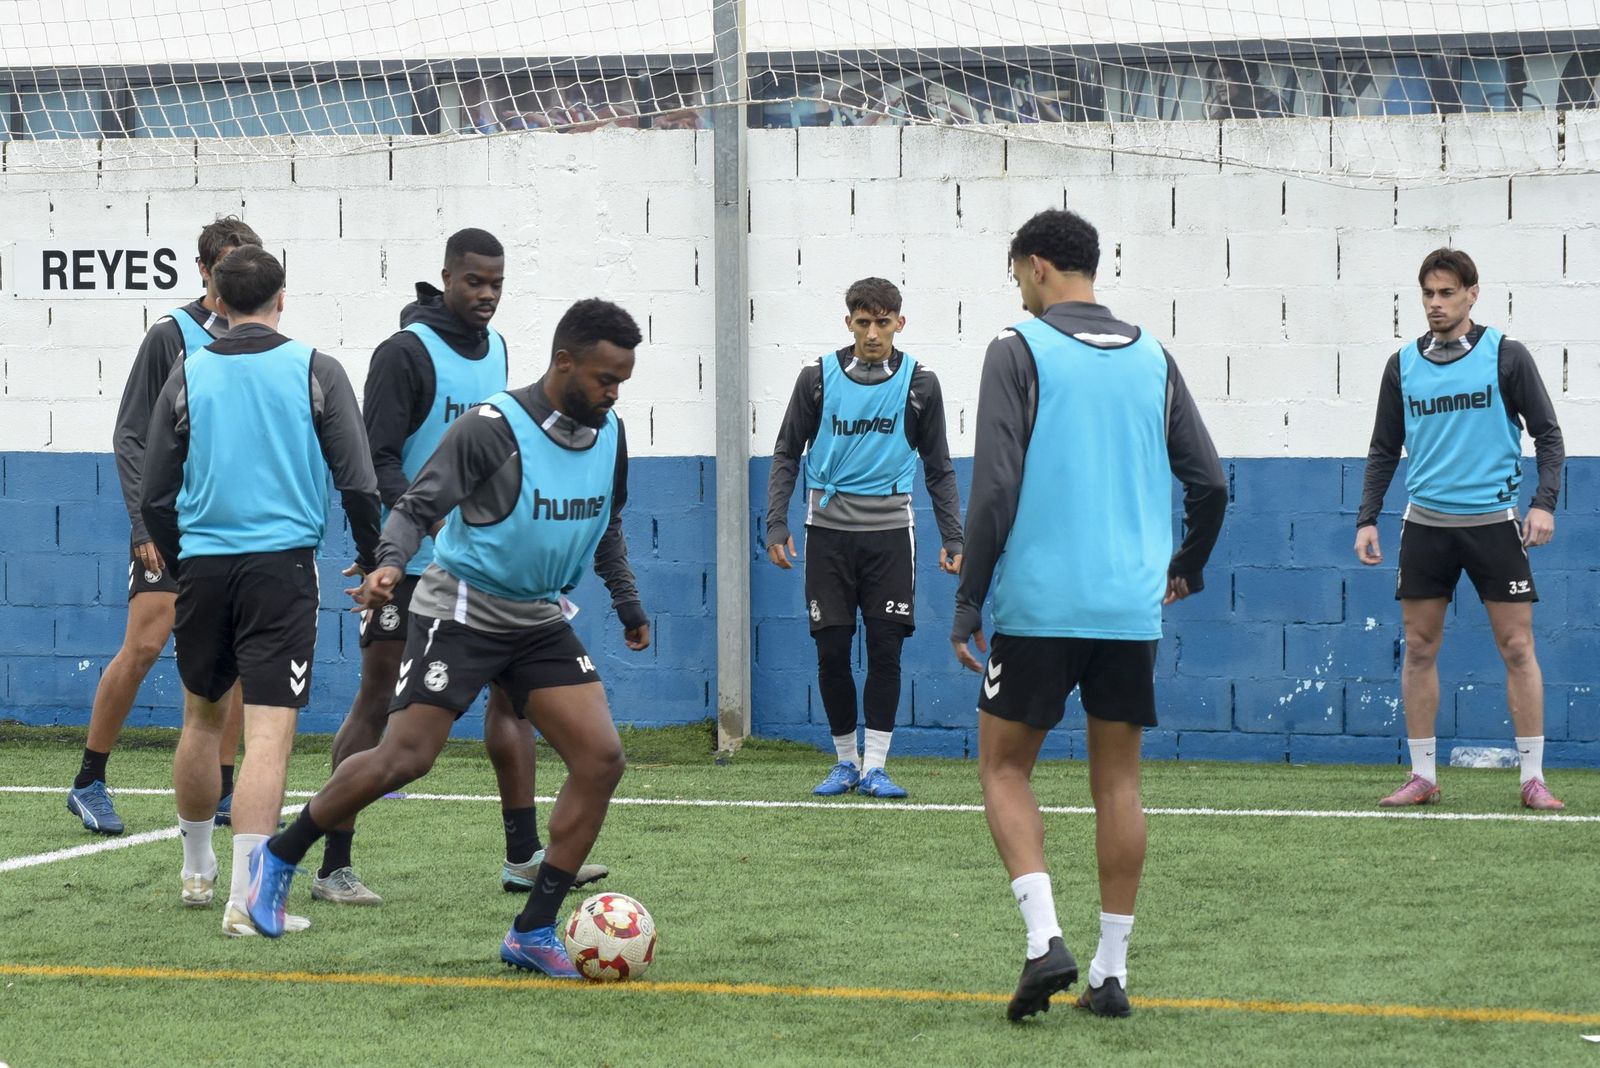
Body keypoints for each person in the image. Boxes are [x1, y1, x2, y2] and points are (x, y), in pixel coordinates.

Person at [249, 300, 647, 976]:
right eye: (605, 380)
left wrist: (627, 601)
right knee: (407, 756)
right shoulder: (492, 428)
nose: (614, 394)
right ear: (564, 364)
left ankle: (532, 930)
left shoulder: (609, 435)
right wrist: (388, 563)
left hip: (537, 616)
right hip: (461, 608)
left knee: (602, 759)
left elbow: (607, 523)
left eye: (622, 382)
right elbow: (416, 506)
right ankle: (281, 856)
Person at [952, 209, 1226, 1021]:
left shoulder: (1016, 348)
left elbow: (995, 488)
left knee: (1004, 769)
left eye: (1016, 275)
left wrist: (968, 599)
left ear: (1037, 266)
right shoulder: (1154, 356)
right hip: (1129, 610)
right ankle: (1111, 973)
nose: (1018, 290)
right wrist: (1187, 567)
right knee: (1119, 784)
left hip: (1041, 603)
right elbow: (1210, 483)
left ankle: (1045, 940)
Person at [321, 227, 611, 906]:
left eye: (496, 284)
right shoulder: (404, 353)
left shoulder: (501, 349)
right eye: (474, 281)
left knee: (514, 705)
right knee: (379, 702)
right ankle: (333, 864)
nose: (486, 295)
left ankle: (522, 857)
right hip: (413, 564)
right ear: (446, 276)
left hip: (485, 571)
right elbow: (377, 458)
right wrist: (406, 538)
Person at [140, 245, 382, 936]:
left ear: (216, 299)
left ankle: (197, 871)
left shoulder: (188, 369)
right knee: (268, 735)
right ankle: (247, 901)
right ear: (281, 297)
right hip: (281, 569)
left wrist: (185, 561)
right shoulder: (315, 369)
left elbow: (155, 494)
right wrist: (374, 560)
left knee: (201, 718)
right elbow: (359, 482)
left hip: (204, 567)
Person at [67, 217, 262, 836]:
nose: (236, 276)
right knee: (147, 643)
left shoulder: (259, 336)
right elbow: (130, 434)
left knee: (229, 656)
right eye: (226, 265)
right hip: (170, 521)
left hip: (231, 525)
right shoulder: (171, 335)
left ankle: (223, 790)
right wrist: (142, 524)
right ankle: (89, 780)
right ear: (204, 270)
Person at [1356, 248, 1566, 811]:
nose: (1435, 303)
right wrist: (1367, 518)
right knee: (1419, 646)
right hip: (1426, 526)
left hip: (1494, 524)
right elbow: (1383, 448)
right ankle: (1423, 776)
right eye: (1428, 293)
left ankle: (1533, 779)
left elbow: (1548, 435)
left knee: (1517, 646)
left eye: (1447, 293)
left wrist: (1543, 504)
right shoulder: (1402, 365)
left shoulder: (1506, 356)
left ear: (1472, 294)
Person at [766, 277, 963, 799]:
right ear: (848, 323)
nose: (873, 333)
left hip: (891, 536)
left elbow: (939, 466)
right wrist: (776, 522)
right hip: (827, 534)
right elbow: (786, 452)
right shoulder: (817, 379)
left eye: (883, 322)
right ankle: (845, 762)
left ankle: (875, 765)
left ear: (900, 322)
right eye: (863, 322)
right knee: (832, 649)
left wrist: (953, 536)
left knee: (885, 649)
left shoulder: (921, 384)